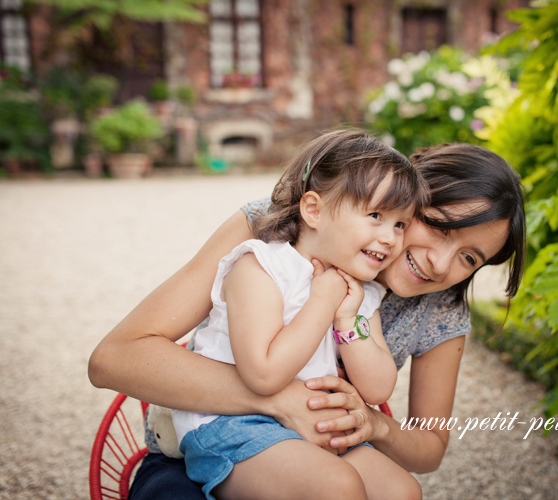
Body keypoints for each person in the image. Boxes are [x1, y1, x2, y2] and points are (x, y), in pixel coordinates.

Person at [88, 138, 526, 500]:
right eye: (438, 227)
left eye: (469, 258)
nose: (439, 263)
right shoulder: (280, 230)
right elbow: (113, 359)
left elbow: (429, 447)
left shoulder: (433, 308)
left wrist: (375, 424)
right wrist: (278, 400)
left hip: (319, 446)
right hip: (211, 440)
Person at [168, 129, 426, 500]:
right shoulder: (261, 267)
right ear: (314, 210)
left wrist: (347, 320)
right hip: (232, 423)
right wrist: (322, 301)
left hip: (311, 424)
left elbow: (377, 388)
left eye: (399, 224)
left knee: (402, 490)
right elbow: (263, 373)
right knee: (336, 486)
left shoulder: (361, 290)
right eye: (375, 215)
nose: (390, 238)